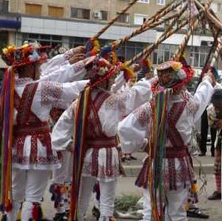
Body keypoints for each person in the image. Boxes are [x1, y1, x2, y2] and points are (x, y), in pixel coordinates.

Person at [0, 43, 90, 221]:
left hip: (15, 147)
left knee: (16, 193)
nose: (40, 69)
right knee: (33, 196)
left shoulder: (6, 92)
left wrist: (79, 62)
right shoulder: (41, 88)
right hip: (38, 145)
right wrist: (95, 77)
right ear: (29, 67)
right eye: (37, 66)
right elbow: (70, 89)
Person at [52, 54, 153, 221]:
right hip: (106, 153)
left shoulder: (79, 102)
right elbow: (134, 95)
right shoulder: (112, 100)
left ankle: (78, 217)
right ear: (104, 80)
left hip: (87, 153)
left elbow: (61, 126)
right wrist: (151, 80)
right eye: (110, 78)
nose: (112, 81)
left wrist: (69, 144)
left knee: (82, 197)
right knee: (106, 201)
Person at [118, 60, 215, 221]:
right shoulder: (190, 104)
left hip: (156, 164)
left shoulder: (151, 106)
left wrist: (143, 144)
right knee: (177, 213)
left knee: (150, 211)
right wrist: (206, 80)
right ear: (182, 84)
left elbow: (124, 128)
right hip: (179, 165)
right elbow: (202, 96)